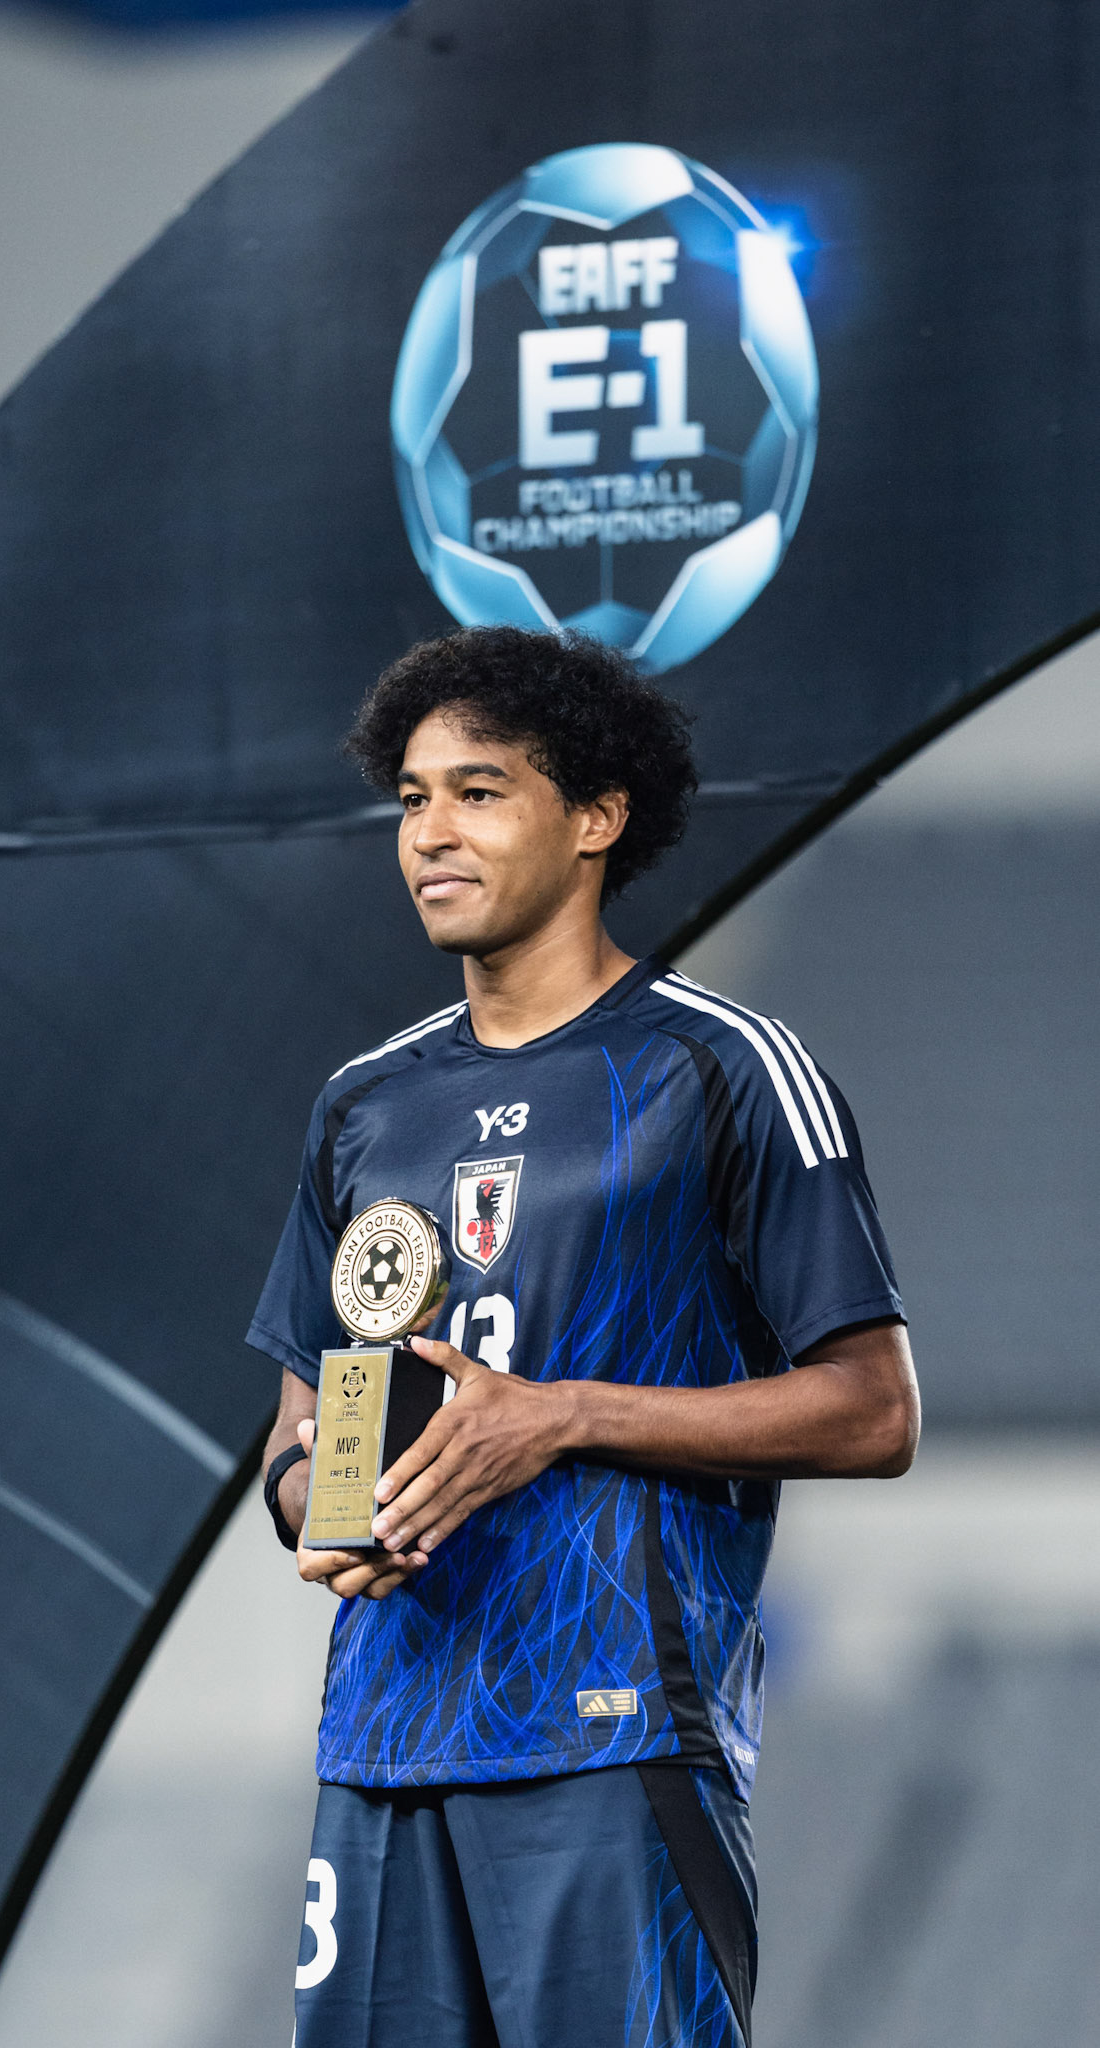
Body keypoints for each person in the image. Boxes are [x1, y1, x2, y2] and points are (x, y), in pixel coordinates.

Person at [248, 625, 918, 2048]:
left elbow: (872, 1412)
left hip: (610, 1734)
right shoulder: (360, 1105)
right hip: (381, 1741)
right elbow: (300, 1439)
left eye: (478, 791)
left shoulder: (721, 1067)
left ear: (597, 817)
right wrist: (329, 1506)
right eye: (411, 797)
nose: (428, 832)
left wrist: (555, 1415)